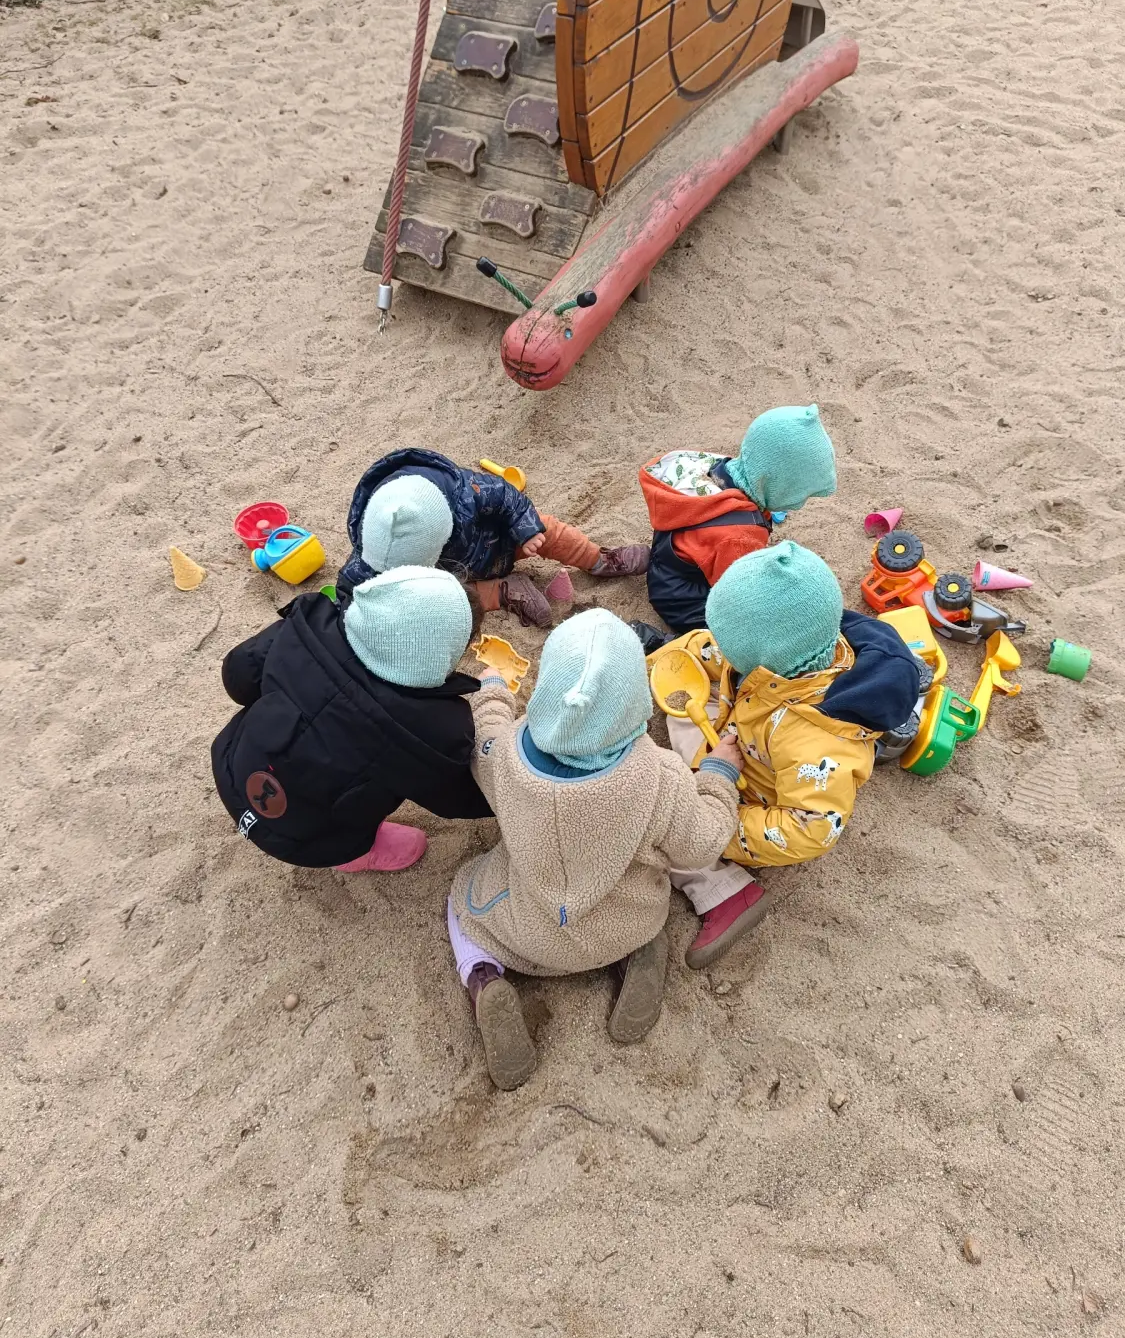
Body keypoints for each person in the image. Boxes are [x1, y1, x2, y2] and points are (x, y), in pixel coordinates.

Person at [447, 608, 742, 1090]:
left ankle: (483, 977)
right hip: (626, 920)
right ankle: (639, 955)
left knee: (463, 899)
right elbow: (702, 844)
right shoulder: (660, 777)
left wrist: (494, 691)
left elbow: (486, 731)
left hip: (525, 933)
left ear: (546, 694)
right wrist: (718, 777)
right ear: (635, 705)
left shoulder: (504, 755)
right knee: (645, 913)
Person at [648, 542, 921, 968]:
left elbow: (811, 829)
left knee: (669, 835)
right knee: (682, 702)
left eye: (728, 641)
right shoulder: (789, 642)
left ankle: (725, 895)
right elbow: (704, 648)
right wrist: (654, 660)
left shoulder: (818, 742)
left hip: (757, 798)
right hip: (743, 734)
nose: (718, 644)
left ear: (765, 659)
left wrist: (723, 824)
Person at [211, 567, 491, 872]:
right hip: (310, 840)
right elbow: (458, 798)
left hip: (234, 768)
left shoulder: (308, 625)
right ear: (442, 658)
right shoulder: (433, 727)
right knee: (384, 781)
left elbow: (238, 677)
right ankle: (357, 855)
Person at [336, 448, 650, 627]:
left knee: (548, 528)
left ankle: (598, 560)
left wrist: (525, 528)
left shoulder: (466, 493)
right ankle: (505, 591)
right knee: (452, 600)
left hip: (500, 544)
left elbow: (507, 495)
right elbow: (351, 588)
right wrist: (348, 613)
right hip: (459, 576)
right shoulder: (374, 550)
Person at [637, 405, 837, 637]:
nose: (800, 503)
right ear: (777, 485)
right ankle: (669, 640)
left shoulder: (713, 469)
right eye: (799, 494)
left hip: (668, 565)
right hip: (682, 602)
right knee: (750, 629)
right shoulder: (739, 536)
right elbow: (738, 595)